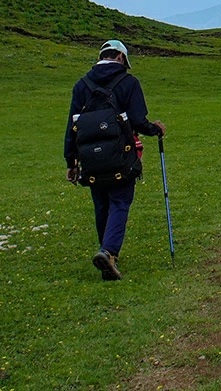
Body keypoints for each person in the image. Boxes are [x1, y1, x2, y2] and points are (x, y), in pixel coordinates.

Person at [64, 39, 166, 281]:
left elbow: (72, 126)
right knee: (120, 201)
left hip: (90, 158)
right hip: (121, 155)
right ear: (120, 58)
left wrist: (71, 162)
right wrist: (156, 129)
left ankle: (106, 253)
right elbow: (139, 120)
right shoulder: (128, 82)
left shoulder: (81, 85)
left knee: (102, 205)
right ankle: (108, 253)